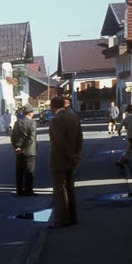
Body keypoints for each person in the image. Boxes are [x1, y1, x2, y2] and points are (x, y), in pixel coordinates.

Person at [48, 95, 82, 228]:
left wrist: (69, 155)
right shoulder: (73, 116)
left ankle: (62, 220)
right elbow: (80, 137)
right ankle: (73, 217)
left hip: (60, 159)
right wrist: (76, 154)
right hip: (72, 159)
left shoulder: (56, 120)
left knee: (60, 191)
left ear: (53, 106)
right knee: (70, 188)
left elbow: (58, 142)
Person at [11, 105, 38, 196]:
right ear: (30, 113)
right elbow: (31, 138)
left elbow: (13, 137)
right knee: (29, 171)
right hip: (29, 151)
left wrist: (16, 147)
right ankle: (28, 190)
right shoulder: (32, 123)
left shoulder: (18, 122)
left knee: (19, 171)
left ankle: (19, 190)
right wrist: (23, 148)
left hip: (19, 151)